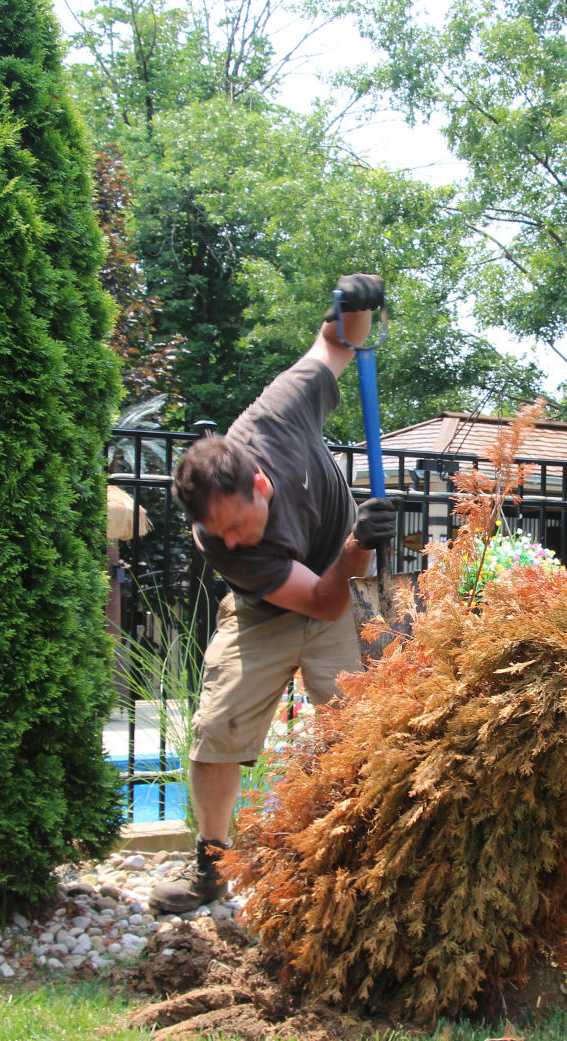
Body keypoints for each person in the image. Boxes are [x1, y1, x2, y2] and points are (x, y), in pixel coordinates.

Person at [149, 273, 397, 915]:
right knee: (217, 730)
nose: (229, 544)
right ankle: (211, 864)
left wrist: (354, 308)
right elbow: (317, 600)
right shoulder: (225, 547)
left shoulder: (279, 414)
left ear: (259, 483)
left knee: (366, 729)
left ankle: (372, 864)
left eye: (234, 526)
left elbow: (335, 346)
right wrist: (357, 547)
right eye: (215, 534)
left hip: (347, 592)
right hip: (282, 603)